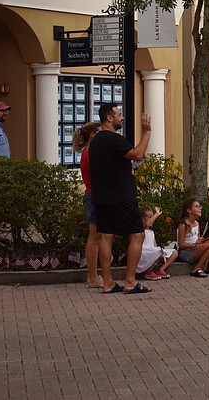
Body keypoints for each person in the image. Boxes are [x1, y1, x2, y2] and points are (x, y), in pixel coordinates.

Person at [90, 103, 152, 295]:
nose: (122, 118)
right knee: (138, 234)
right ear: (109, 118)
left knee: (106, 237)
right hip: (121, 196)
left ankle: (108, 282)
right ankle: (130, 281)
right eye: (119, 115)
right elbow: (138, 154)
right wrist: (147, 131)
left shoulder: (96, 141)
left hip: (102, 196)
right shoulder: (113, 139)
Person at [72, 121, 102, 289]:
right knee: (95, 237)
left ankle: (94, 276)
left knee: (98, 237)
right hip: (94, 196)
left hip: (95, 195)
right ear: (92, 135)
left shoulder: (89, 152)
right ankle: (92, 277)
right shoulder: (90, 152)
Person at [177, 198, 209, 278]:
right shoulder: (183, 225)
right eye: (196, 206)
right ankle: (196, 269)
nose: (200, 208)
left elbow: (197, 239)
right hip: (186, 252)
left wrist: (200, 241)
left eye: (200, 206)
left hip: (195, 248)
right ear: (189, 210)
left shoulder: (197, 223)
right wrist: (194, 245)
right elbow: (181, 245)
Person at [135, 206, 178, 281]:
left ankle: (161, 269)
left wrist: (161, 252)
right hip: (144, 252)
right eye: (150, 217)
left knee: (174, 253)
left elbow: (154, 245)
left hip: (152, 251)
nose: (153, 219)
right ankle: (149, 272)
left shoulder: (151, 232)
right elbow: (147, 224)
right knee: (157, 252)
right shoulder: (140, 229)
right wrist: (157, 214)